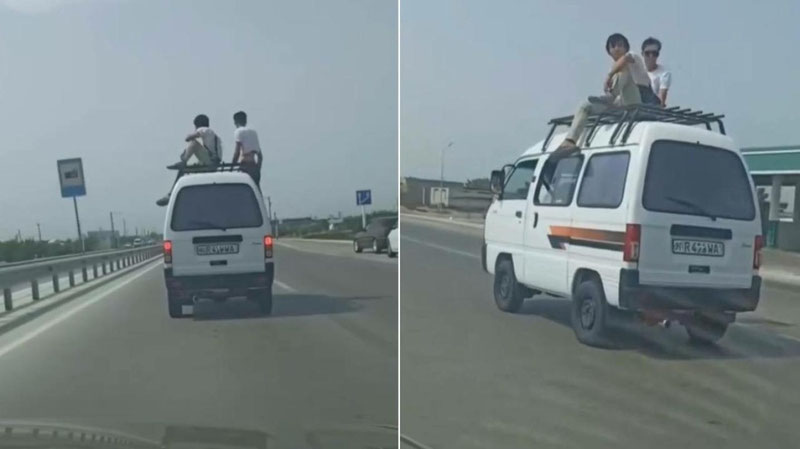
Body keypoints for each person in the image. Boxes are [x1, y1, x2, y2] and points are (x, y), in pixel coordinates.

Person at [554, 33, 660, 156]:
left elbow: (625, 59)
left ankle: (609, 96)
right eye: (613, 46)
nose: (616, 48)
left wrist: (609, 76)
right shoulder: (614, 70)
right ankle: (569, 141)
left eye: (620, 45)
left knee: (623, 71)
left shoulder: (633, 57)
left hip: (638, 103)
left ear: (626, 48)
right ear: (609, 52)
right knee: (585, 106)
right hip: (621, 106)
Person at [155, 114, 223, 206]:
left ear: (197, 125)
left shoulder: (203, 129)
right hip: (214, 163)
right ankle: (172, 193)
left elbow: (188, 138)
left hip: (209, 162)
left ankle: (183, 162)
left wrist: (185, 155)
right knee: (183, 169)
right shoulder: (214, 135)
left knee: (194, 142)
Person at [231, 111, 263, 188]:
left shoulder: (238, 132)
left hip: (244, 165)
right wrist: (257, 168)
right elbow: (260, 156)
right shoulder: (253, 132)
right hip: (254, 165)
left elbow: (237, 152)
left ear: (235, 121)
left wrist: (232, 167)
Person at [642, 37, 672, 106]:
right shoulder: (638, 71)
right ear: (642, 54)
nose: (651, 56)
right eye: (647, 53)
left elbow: (661, 98)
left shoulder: (664, 73)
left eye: (654, 53)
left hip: (652, 107)